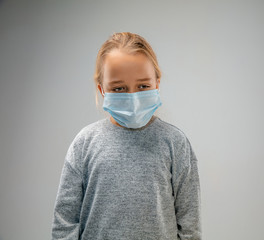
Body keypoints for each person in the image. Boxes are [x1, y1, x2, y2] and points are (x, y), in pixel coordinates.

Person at [51, 32, 202, 240]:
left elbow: (189, 226)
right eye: (119, 88)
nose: (132, 98)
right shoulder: (84, 144)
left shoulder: (175, 144)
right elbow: (64, 223)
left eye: (143, 86)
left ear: (157, 83)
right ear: (102, 89)